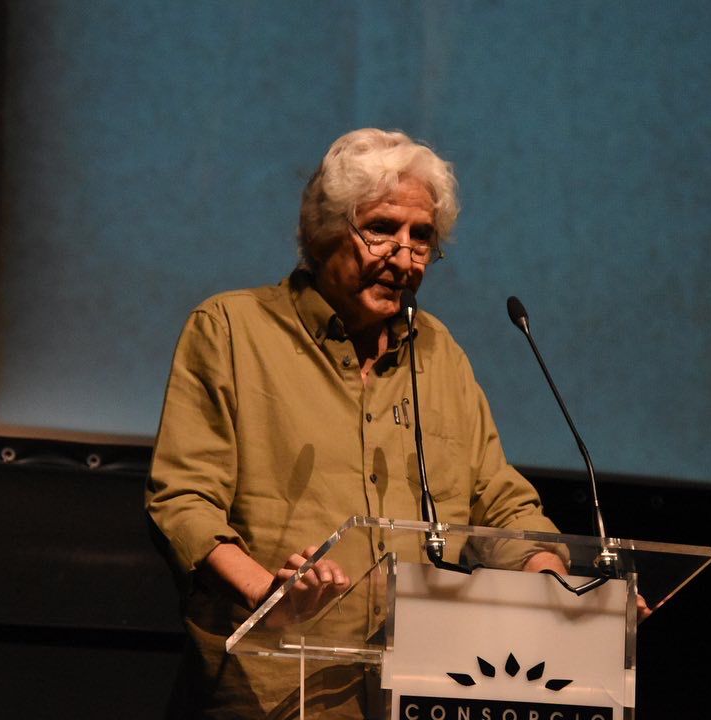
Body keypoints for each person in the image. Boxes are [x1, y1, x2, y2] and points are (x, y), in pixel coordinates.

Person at [145, 128, 570, 719]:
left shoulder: (439, 353)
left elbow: (499, 506)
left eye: (422, 238)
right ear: (323, 234)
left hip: (419, 690)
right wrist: (269, 594)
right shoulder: (230, 331)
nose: (403, 257)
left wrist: (564, 591)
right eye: (381, 229)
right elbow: (183, 502)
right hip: (273, 693)